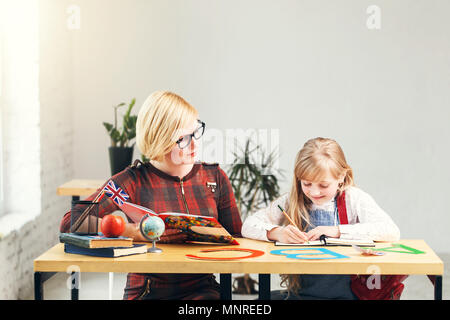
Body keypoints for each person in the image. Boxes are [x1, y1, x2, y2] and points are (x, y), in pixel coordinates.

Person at [60, 91, 242, 300]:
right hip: (146, 292)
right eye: (182, 139)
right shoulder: (133, 180)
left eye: (196, 132)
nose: (194, 145)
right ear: (160, 139)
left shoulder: (214, 178)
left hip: (202, 290)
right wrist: (131, 231)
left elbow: (237, 237)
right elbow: (71, 221)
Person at [241, 137, 400, 300]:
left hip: (349, 296)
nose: (315, 192)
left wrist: (337, 231)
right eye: (307, 184)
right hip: (303, 294)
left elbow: (390, 231)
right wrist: (277, 233)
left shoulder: (353, 198)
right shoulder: (293, 200)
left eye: (323, 185)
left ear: (341, 177)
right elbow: (248, 225)